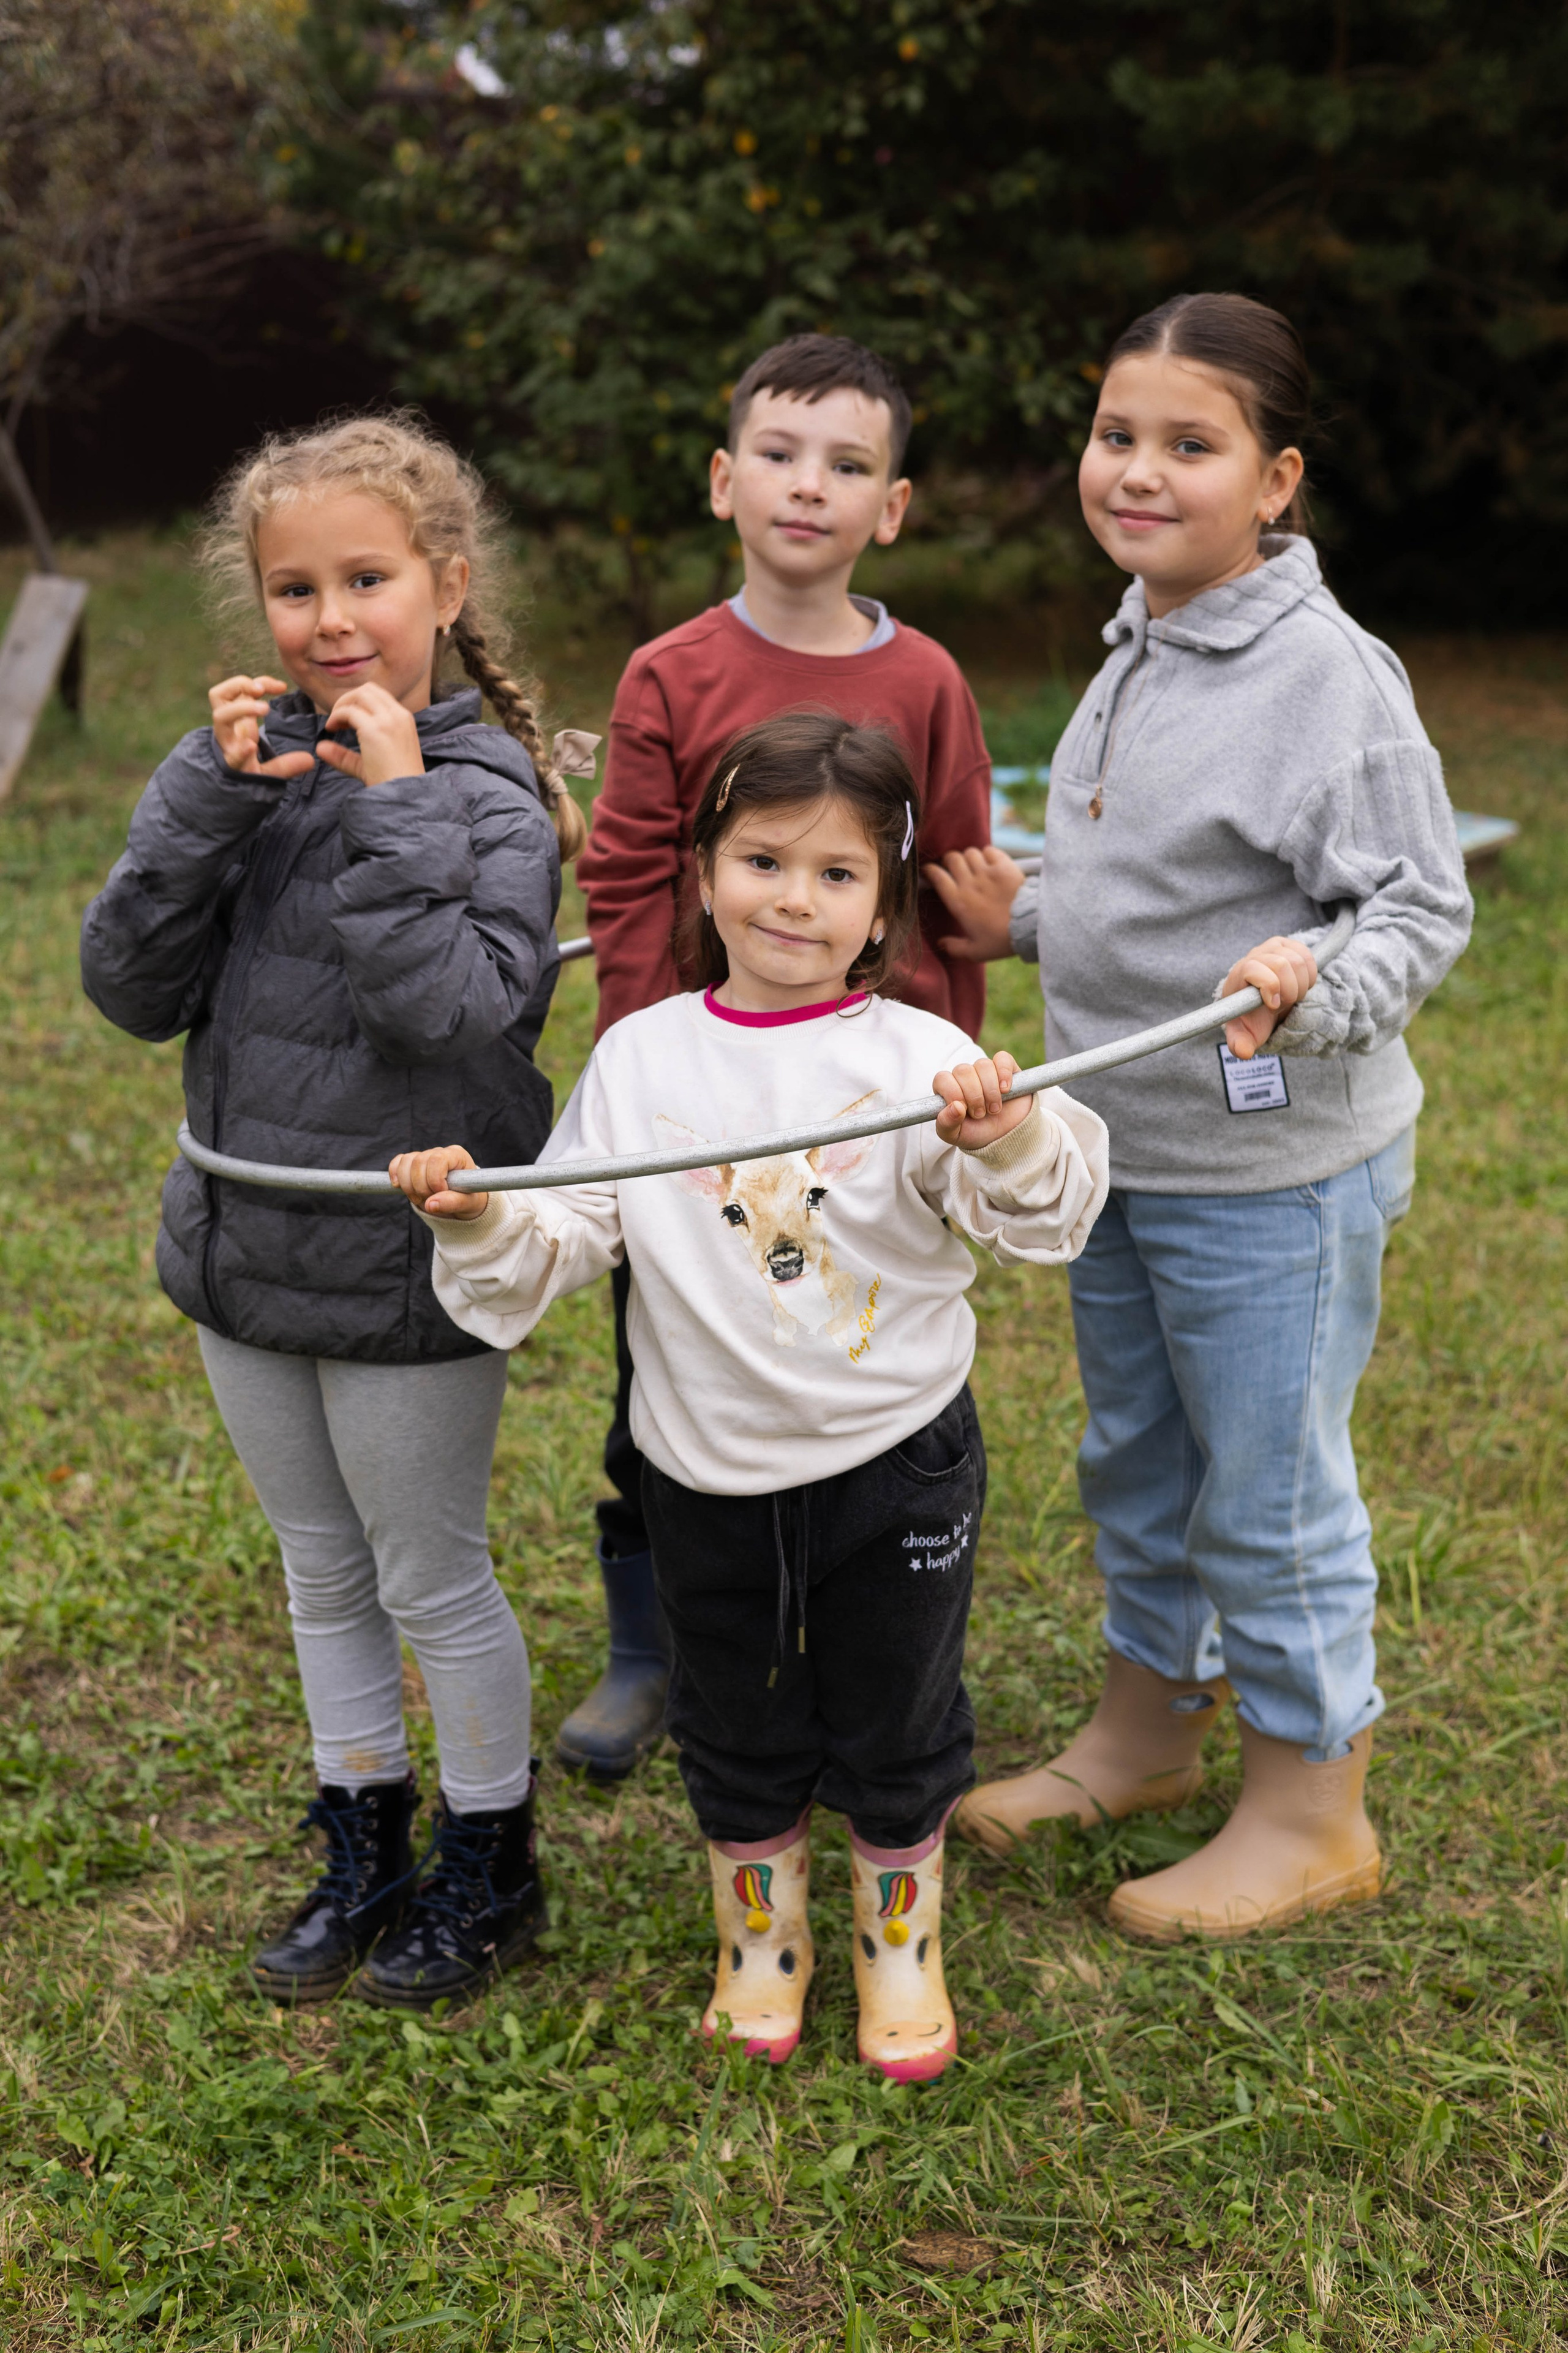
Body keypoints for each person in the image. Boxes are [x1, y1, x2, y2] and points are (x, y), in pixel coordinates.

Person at [391, 712, 1107, 2076]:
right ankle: (759, 1941)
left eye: (837, 874)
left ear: (886, 901)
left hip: (892, 1457)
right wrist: (481, 1217)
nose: (793, 897)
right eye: (762, 859)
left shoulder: (917, 1059)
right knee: (731, 1712)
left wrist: (1004, 1135)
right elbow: (566, 1234)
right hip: (703, 1469)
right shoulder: (646, 1059)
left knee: (898, 1709)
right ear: (703, 869)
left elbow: (1035, 1215)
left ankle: (898, 1942)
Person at [929, 293, 1472, 1941]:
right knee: (1140, 1460)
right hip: (1120, 1154)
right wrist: (1018, 919)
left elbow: (1419, 910)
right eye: (1116, 435)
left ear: (1277, 478)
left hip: (1273, 1177)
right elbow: (1145, 884)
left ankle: (1315, 1804)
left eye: (1191, 443)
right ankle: (1149, 1731)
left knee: (1269, 1482)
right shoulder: (1141, 639)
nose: (1139, 470)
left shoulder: (1328, 679)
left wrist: (1314, 974)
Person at [80, 412, 589, 2009]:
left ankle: (490, 1860)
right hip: (252, 1235)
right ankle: (362, 1834)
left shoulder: (492, 799)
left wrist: (394, 808)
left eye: (365, 577)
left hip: (402, 1253)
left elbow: (452, 1021)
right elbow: (126, 986)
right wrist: (196, 801)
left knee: (431, 1571)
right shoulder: (252, 780)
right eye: (294, 589)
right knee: (319, 1565)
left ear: (442, 584)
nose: (330, 618)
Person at [565, 332, 995, 1782]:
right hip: (695, 1115)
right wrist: (652, 1079)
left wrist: (946, 1106)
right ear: (720, 478)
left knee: (855, 1341)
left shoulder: (926, 680)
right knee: (666, 1371)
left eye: (849, 464)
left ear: (893, 506)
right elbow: (624, 877)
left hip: (862, 1113)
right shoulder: (668, 672)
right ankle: (656, 1645)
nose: (807, 485)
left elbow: (950, 888)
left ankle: (876, 1624)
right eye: (779, 452)